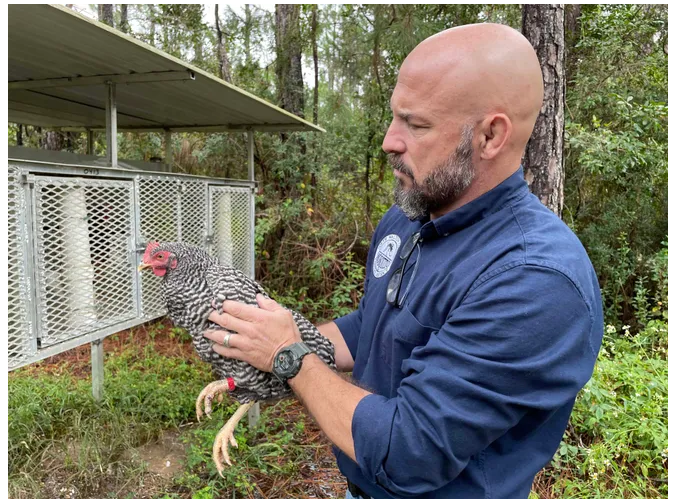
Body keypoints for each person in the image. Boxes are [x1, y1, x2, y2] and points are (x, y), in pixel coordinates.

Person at [204, 23, 603, 499]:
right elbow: (375, 326)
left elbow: (409, 451)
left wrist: (290, 356)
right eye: (394, 119)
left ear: (491, 136)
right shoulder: (408, 217)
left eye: (416, 125)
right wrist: (268, 337)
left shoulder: (533, 278)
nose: (390, 141)